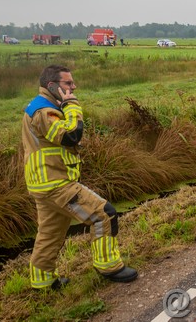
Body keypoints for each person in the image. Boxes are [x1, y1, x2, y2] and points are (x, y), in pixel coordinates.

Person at [22, 64, 137, 290]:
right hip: (55, 184)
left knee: (49, 233)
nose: (73, 87)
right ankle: (109, 266)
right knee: (104, 214)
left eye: (72, 83)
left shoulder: (42, 106)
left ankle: (42, 281)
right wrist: (72, 105)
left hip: (43, 182)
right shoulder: (44, 112)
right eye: (68, 83)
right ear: (52, 86)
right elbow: (71, 135)